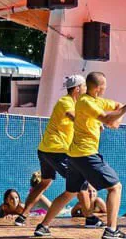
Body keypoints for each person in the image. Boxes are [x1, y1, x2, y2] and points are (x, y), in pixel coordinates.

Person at [34, 72, 126, 239]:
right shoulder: (85, 102)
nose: (106, 89)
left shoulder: (96, 101)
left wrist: (117, 116)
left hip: (74, 155)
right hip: (86, 154)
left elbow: (115, 108)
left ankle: (43, 226)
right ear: (98, 88)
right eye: (104, 86)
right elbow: (109, 119)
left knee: (70, 192)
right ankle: (111, 230)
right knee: (115, 187)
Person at [15, 75, 95, 227]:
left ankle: (22, 216)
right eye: (85, 86)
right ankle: (90, 218)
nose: (86, 88)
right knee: (80, 182)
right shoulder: (66, 102)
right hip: (57, 151)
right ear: (77, 88)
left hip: (46, 150)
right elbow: (73, 117)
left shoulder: (74, 103)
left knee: (45, 182)